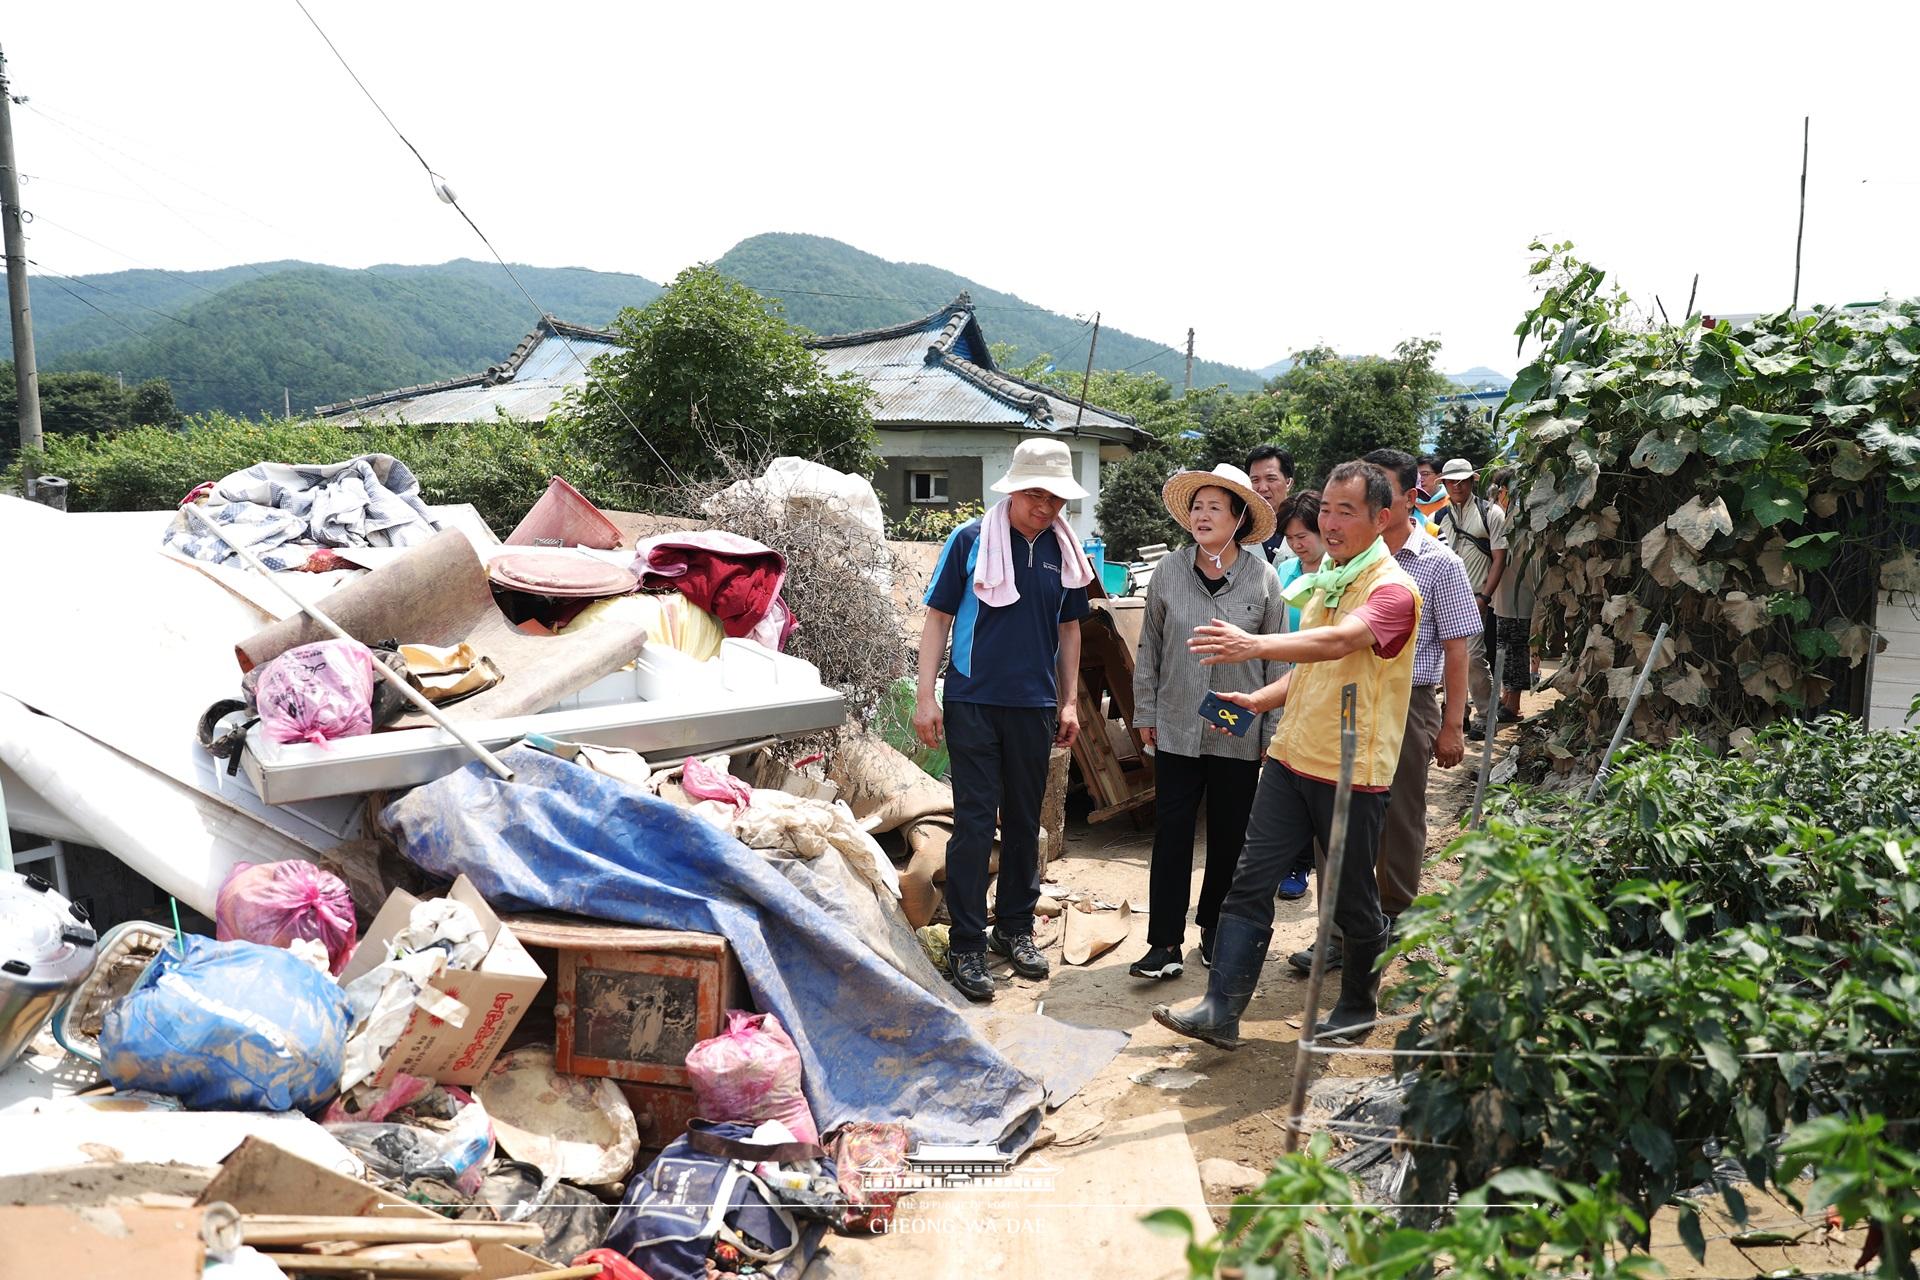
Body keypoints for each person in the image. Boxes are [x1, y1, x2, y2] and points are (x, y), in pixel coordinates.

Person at [1152, 462, 1421, 1048]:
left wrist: (1253, 645)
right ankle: (1221, 1009)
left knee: (1352, 898)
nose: (1329, 521)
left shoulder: (1393, 590)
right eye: (1325, 508)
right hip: (1292, 756)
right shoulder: (1332, 576)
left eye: (1345, 511)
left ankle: (1355, 1006)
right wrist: (1256, 697)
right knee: (1248, 882)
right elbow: (1311, 670)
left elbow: (1340, 641)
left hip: (1351, 770)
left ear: (1381, 518)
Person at [914, 438, 1093, 1003]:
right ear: (1013, 490)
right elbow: (938, 619)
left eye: (1056, 498)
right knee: (972, 823)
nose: (1047, 507)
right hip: (972, 701)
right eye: (1037, 495)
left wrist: (1069, 701)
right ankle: (967, 942)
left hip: (1035, 706)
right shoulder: (969, 540)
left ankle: (1014, 928)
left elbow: (1070, 631)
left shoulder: (1065, 551)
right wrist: (926, 697)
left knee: (1023, 823)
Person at [1282, 450, 1475, 971]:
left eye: (1374, 498)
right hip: (1340, 701)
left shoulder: (1440, 564)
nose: (1358, 512)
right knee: (1335, 816)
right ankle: (1339, 934)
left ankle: (1396, 924)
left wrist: (1452, 725)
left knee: (1399, 818)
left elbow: (1457, 647)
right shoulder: (1338, 566)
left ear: (1406, 501)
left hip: (1407, 702)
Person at [1128, 465, 1288, 981]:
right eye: (1196, 507)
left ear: (1239, 518)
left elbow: (1278, 663)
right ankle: (1163, 944)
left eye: (1214, 508)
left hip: (1237, 727)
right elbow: (1149, 645)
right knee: (1171, 833)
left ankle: (1215, 930)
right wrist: (1145, 711)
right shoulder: (1169, 572)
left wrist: (1270, 728)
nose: (1201, 516)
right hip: (1176, 721)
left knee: (1229, 834)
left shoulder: (1263, 579)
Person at [1267, 490, 1325, 902]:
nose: (1298, 543)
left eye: (1305, 534)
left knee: (1314, 779)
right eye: (1290, 536)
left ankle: (1305, 863)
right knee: (1285, 777)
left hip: (1323, 689)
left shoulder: (1340, 573)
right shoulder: (1283, 570)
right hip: (1285, 686)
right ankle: (1291, 860)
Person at [1437, 457, 1508, 733]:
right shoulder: (1439, 518)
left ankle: (1485, 716)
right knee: (1446, 660)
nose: (1456, 485)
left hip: (1476, 596)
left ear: (1471, 481)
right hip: (1443, 598)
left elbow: (1500, 559)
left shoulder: (1491, 513)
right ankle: (1457, 714)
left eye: (1462, 479)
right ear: (1444, 484)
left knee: (1474, 657)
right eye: (1451, 480)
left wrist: (1485, 598)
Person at [1244, 446, 1296, 565]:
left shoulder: (1308, 524)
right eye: (1255, 480)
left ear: (1288, 483)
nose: (1262, 488)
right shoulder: (1238, 528)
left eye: (1271, 479)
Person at [1414, 455, 1452, 534]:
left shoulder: (1451, 503)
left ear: (1440, 477)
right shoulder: (1409, 504)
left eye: (1425, 474)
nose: (1420, 479)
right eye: (1417, 475)